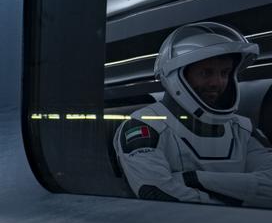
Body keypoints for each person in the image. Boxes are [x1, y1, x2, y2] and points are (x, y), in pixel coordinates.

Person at [115, 21, 272, 207]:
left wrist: (192, 179)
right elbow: (157, 192)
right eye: (206, 73)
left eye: (225, 73)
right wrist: (243, 195)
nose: (218, 82)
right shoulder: (144, 126)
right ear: (178, 77)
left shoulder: (243, 128)